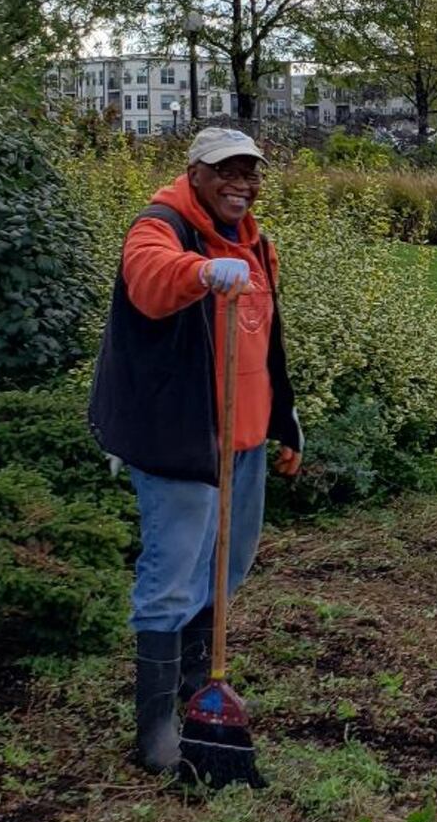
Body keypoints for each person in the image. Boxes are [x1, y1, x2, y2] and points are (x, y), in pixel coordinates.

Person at [89, 127, 303, 773]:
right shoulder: (160, 226)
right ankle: (154, 729)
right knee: (172, 580)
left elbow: (263, 339)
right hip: (181, 438)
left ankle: (192, 683)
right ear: (196, 174)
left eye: (251, 172)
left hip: (242, 442)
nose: (242, 183)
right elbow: (150, 281)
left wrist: (284, 420)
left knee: (226, 567)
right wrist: (202, 272)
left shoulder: (255, 242)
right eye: (226, 172)